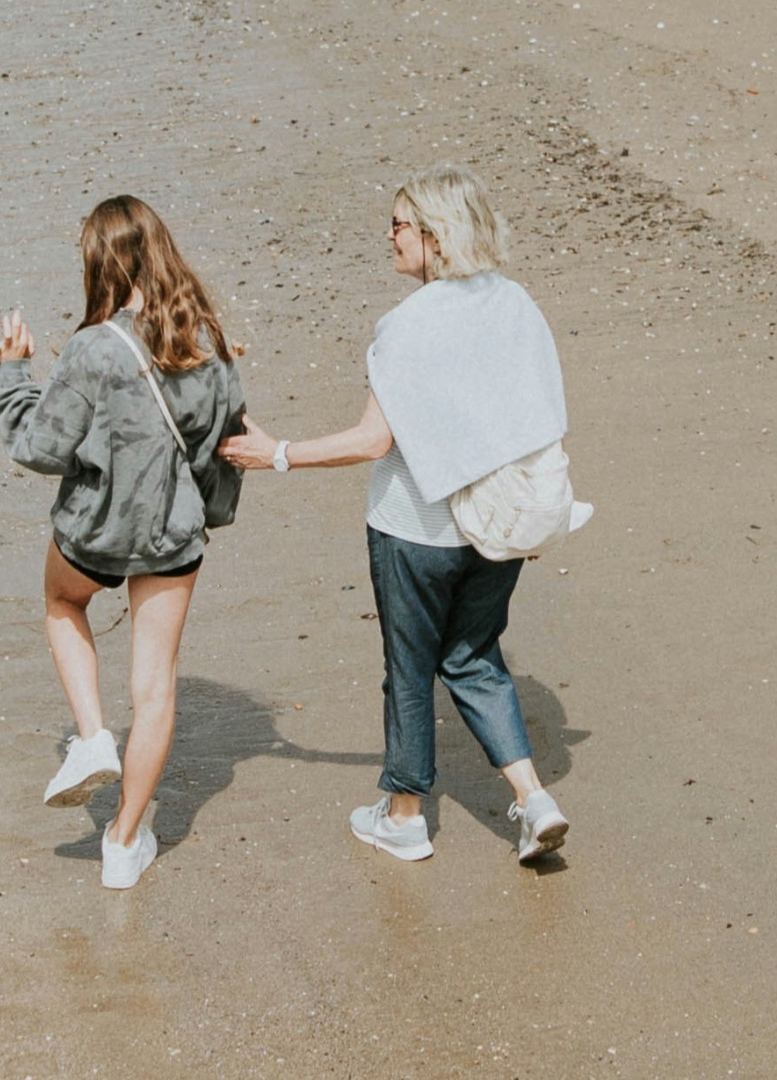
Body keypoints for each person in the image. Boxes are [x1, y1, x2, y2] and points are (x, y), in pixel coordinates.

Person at [220, 163, 578, 864]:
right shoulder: (516, 303)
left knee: (409, 668)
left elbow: (372, 442)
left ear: (435, 237)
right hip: (498, 527)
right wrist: (538, 518)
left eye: (399, 225)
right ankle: (535, 800)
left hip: (415, 531)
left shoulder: (406, 323)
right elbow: (542, 421)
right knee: (476, 658)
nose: (388, 236)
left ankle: (406, 815)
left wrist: (278, 454)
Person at [0, 195, 245, 889]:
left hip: (97, 529)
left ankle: (92, 735)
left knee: (60, 604)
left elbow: (37, 448)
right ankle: (125, 842)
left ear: (100, 262)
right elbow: (226, 440)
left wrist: (14, 373)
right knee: (155, 686)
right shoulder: (211, 341)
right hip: (172, 532)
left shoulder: (94, 347)